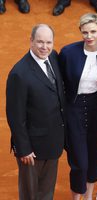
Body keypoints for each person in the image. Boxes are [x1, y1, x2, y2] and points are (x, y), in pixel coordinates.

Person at [6, 24, 66, 200]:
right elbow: (15, 116)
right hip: (32, 149)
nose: (44, 47)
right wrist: (23, 149)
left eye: (48, 42)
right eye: (40, 42)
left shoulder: (53, 57)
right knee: (30, 194)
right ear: (31, 41)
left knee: (47, 193)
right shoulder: (19, 73)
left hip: (53, 142)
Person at [59, 13, 97, 200]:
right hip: (73, 109)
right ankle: (77, 198)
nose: (89, 36)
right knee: (79, 162)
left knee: (93, 157)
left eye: (93, 31)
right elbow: (60, 84)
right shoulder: (68, 52)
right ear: (80, 33)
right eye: (85, 32)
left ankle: (89, 197)